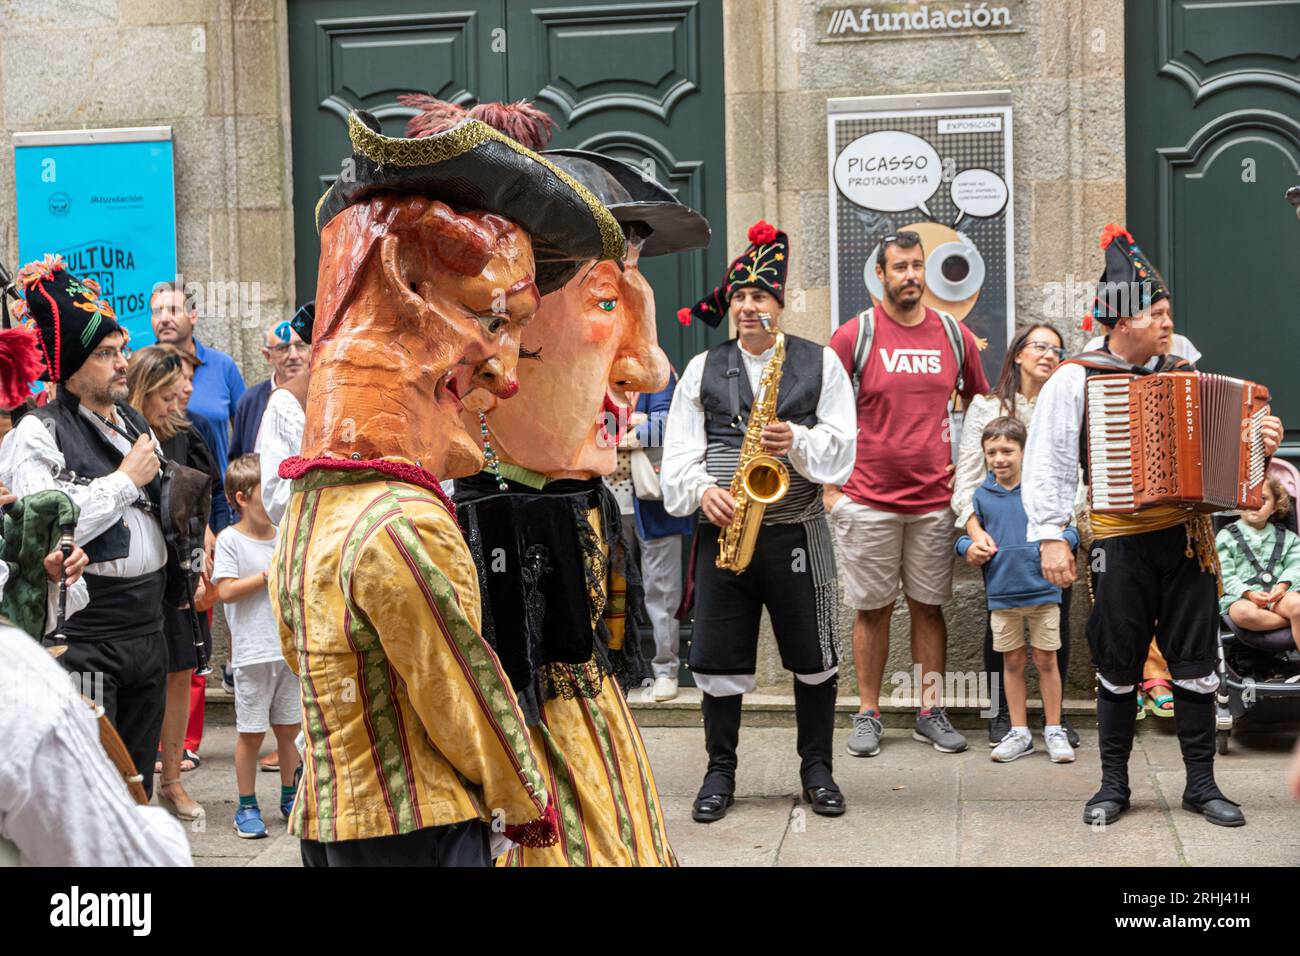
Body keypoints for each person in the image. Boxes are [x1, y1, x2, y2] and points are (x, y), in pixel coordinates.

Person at [269, 108, 620, 866]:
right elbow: (463, 696)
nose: (506, 372)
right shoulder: (400, 520)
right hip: (415, 833)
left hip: (328, 828)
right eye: (490, 321)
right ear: (401, 292)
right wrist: (529, 800)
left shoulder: (310, 506)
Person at [426, 101, 703, 863]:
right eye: (607, 304)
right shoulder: (466, 526)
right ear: (498, 328)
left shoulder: (575, 501)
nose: (648, 370)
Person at [1022, 223, 1284, 828]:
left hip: (1188, 538)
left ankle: (1201, 784)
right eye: (1156, 313)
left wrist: (1260, 442)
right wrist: (1049, 536)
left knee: (1195, 662)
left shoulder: (1186, 368)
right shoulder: (1074, 377)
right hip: (1118, 540)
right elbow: (1052, 463)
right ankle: (1114, 785)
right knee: (1117, 661)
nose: (1167, 322)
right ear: (1121, 320)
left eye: (1168, 312)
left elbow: (1229, 457)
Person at [665, 220, 856, 822]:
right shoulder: (700, 368)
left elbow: (844, 447)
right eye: (740, 297)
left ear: (780, 303)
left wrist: (795, 439)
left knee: (814, 655)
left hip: (798, 529)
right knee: (718, 661)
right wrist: (701, 491)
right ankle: (720, 771)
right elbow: (677, 454)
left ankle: (817, 769)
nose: (749, 306)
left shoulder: (820, 362)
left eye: (760, 297)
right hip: (724, 533)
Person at [6, 255, 173, 799]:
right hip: (88, 635)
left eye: (121, 350)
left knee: (138, 779)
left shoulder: (131, 420)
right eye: (106, 355)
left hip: (148, 627)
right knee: (94, 781)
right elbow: (45, 515)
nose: (122, 363)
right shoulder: (38, 431)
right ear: (72, 367)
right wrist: (126, 481)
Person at [826, 231, 990, 758]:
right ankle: (868, 712)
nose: (911, 276)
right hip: (868, 500)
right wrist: (831, 490)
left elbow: (981, 408)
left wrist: (967, 485)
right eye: (900, 267)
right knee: (872, 610)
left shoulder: (954, 334)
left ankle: (929, 711)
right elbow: (823, 414)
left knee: (929, 607)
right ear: (880, 274)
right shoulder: (856, 336)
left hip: (932, 505)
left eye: (917, 266)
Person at [953, 323, 1081, 746]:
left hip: (1057, 532)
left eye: (1057, 350)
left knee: (1054, 624)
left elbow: (1077, 472)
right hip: (1002, 535)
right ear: (1018, 354)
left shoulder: (1068, 404)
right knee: (1000, 630)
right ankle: (1002, 715)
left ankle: (1054, 720)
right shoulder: (986, 408)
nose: (1048, 354)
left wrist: (1069, 531)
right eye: (1039, 346)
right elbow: (968, 478)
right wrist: (973, 533)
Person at [126, 345, 219, 822]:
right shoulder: (122, 433)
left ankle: (173, 781)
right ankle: (136, 778)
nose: (176, 400)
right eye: (165, 393)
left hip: (180, 569)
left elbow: (205, 493)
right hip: (138, 574)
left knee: (181, 669)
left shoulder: (185, 433)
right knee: (146, 672)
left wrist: (206, 539)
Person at [212, 454, 300, 838]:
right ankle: (246, 806)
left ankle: (290, 794)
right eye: (268, 494)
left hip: (287, 652)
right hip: (252, 654)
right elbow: (226, 591)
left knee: (289, 729)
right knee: (250, 733)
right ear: (242, 498)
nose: (275, 501)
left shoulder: (285, 534)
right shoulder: (231, 540)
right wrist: (268, 574)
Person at [632, 370, 693, 702]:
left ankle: (666, 670)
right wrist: (635, 424)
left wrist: (628, 428)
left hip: (655, 500)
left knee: (661, 591)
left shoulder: (657, 372)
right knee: (606, 589)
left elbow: (663, 427)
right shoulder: (592, 367)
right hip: (606, 498)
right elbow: (583, 428)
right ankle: (615, 668)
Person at [149, 280, 246, 479]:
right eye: (157, 312)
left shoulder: (223, 366)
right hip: (159, 500)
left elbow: (245, 439)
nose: (164, 319)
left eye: (173, 310)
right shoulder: (142, 370)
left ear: (193, 315)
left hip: (216, 496)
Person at [1217, 478, 1300, 651]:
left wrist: (1283, 585)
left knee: (1298, 606)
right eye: (1248, 499)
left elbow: (1296, 565)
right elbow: (1223, 573)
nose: (1255, 505)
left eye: (1263, 499)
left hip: (1280, 595)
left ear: (1275, 507)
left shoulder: (1288, 538)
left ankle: (1296, 616)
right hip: (1242, 597)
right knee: (1242, 614)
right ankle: (1293, 620)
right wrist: (1247, 592)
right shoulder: (1225, 537)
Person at [230, 307, 311, 460]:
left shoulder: (323, 398)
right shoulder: (249, 401)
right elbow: (238, 461)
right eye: (283, 348)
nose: (293, 355)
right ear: (268, 356)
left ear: (311, 351)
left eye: (300, 346)